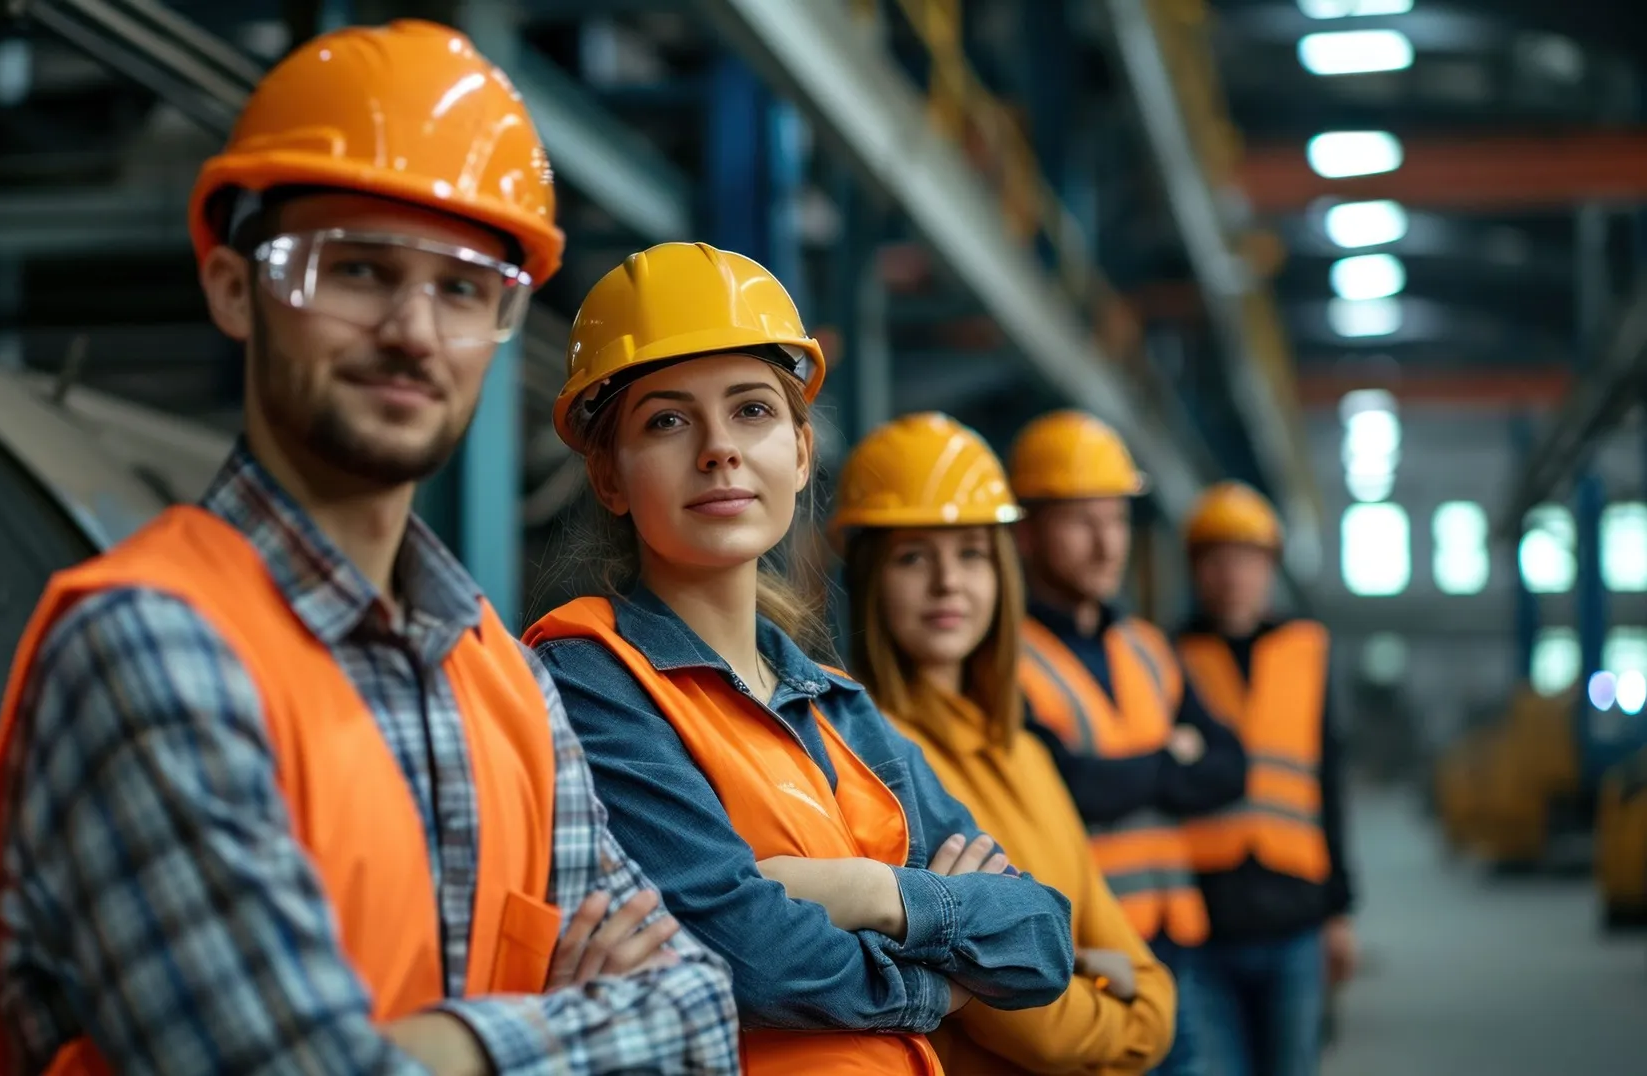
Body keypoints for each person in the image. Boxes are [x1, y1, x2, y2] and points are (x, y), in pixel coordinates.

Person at [0, 23, 739, 1075]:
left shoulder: (504, 680)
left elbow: (703, 1014)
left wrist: (441, 1047)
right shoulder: (151, 650)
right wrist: (555, 1028)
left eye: (463, 288)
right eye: (357, 270)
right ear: (236, 289)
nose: (415, 329)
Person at [522, 243, 1076, 1075]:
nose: (719, 449)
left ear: (802, 452)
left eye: (752, 411)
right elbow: (748, 955)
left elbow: (1041, 939)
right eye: (667, 420)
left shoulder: (838, 708)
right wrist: (945, 981)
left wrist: (865, 893)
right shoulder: (592, 680)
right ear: (608, 475)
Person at [832, 411, 1177, 1075]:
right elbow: (1030, 1026)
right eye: (912, 557)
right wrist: (1129, 1020)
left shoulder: (1027, 752)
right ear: (871, 576)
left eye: (971, 555)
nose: (948, 583)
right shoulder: (866, 762)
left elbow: (1135, 961)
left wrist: (1108, 992)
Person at [1004, 410, 1248, 1076]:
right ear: (1027, 533)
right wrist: (1172, 759)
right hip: (1084, 952)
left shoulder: (1147, 647)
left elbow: (1229, 768)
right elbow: (1068, 789)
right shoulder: (1005, 659)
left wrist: (1121, 775)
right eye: (1081, 521)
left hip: (1174, 942)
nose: (1106, 544)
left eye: (1115, 520)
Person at [1174, 481, 1357, 1076]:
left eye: (1248, 560)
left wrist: (1340, 913)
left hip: (1295, 920)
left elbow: (1328, 781)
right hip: (1203, 924)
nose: (1233, 576)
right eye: (1217, 559)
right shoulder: (1163, 654)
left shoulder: (1307, 650)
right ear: (1197, 569)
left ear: (1270, 569)